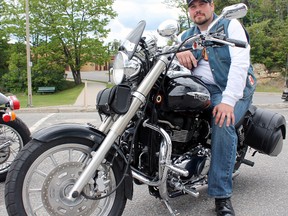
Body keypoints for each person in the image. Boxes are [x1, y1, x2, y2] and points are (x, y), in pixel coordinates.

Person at [176, 0, 257, 215]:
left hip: (234, 88)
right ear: (189, 11)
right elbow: (172, 67)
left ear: (212, 6)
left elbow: (240, 64)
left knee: (222, 121)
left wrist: (228, 101)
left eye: (203, 3)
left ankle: (221, 196)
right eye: (193, 6)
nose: (198, 9)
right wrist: (177, 54)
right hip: (203, 89)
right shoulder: (185, 36)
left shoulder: (230, 25)